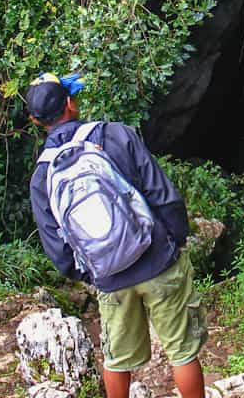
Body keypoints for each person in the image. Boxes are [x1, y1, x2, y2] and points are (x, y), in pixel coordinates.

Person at [25, 73, 207, 398]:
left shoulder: (42, 175)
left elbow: (57, 249)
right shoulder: (115, 135)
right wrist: (175, 241)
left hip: (109, 278)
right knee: (182, 352)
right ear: (70, 103)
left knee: (117, 361)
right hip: (158, 261)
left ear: (36, 120)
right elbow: (162, 195)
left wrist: (93, 272)